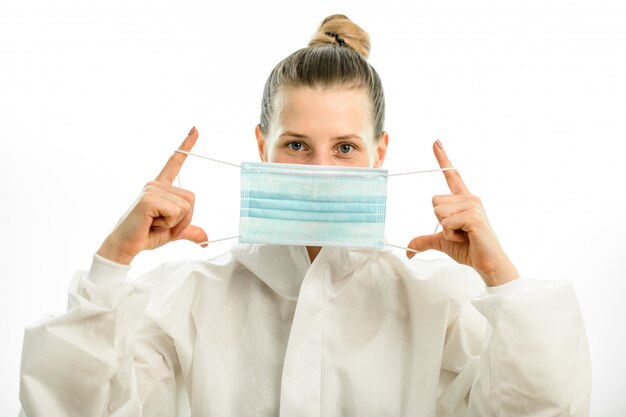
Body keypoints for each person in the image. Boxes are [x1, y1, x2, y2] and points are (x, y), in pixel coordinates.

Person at [19, 14, 591, 417]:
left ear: (380, 154)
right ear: (261, 146)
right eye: (296, 145)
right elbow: (70, 409)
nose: (320, 170)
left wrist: (501, 279)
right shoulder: (186, 298)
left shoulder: (439, 299)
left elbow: (541, 411)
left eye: (345, 148)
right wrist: (112, 264)